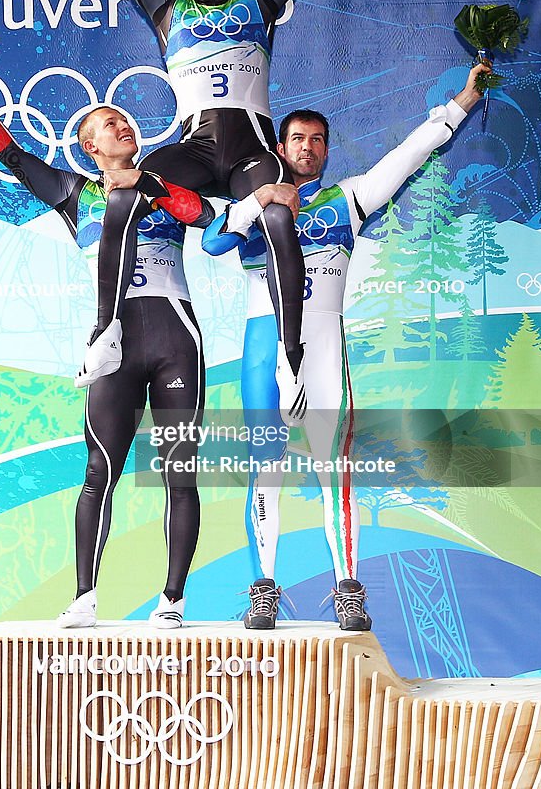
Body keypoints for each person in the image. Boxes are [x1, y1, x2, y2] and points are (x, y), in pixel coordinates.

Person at [202, 62, 490, 631]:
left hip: (324, 348)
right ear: (279, 147)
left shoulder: (349, 199)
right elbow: (213, 242)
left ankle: (346, 590)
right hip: (264, 349)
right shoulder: (255, 201)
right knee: (267, 471)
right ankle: (264, 588)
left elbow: (409, 155)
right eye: (298, 139)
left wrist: (459, 105)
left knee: (334, 471)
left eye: (318, 141)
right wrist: (257, 200)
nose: (308, 148)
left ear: (327, 151)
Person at [0, 51, 215, 629]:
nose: (123, 127)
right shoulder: (74, 195)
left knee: (179, 471)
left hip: (174, 338)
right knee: (99, 472)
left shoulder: (163, 183)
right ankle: (85, 597)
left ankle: (172, 601)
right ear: (90, 147)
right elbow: (11, 154)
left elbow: (199, 215)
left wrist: (151, 183)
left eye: (125, 121)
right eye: (108, 125)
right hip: (114, 346)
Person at [79, 0, 341, 424]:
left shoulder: (260, 1)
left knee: (277, 215)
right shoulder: (168, 8)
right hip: (195, 151)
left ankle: (290, 355)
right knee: (132, 184)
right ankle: (107, 330)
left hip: (251, 151)